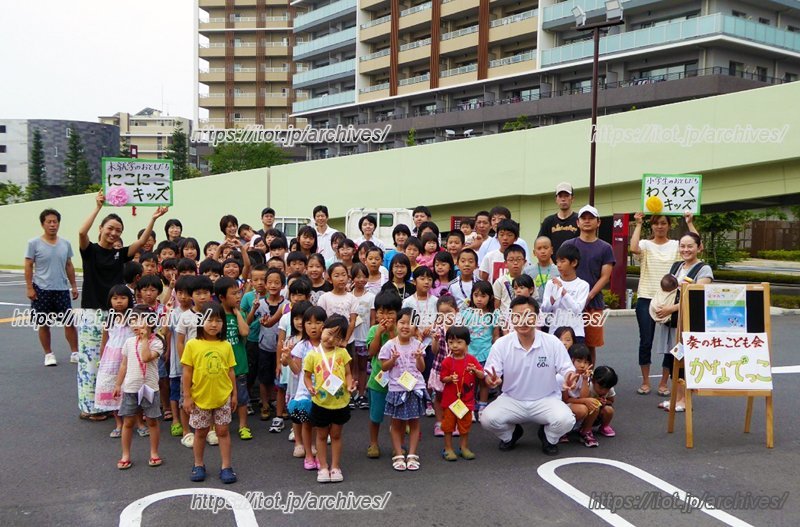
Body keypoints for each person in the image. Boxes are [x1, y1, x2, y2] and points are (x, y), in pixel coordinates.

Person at [77, 191, 167, 420]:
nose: (113, 233)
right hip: (91, 311)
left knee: (116, 359)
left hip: (119, 313)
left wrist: (153, 219)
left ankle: (114, 404)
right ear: (101, 229)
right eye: (110, 228)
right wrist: (97, 208)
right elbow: (81, 232)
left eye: (118, 230)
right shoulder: (90, 251)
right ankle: (90, 407)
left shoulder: (121, 254)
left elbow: (141, 243)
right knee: (90, 361)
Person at [480, 296, 578, 456]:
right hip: (513, 399)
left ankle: (548, 438)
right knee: (487, 419)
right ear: (512, 318)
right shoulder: (502, 344)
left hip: (546, 399)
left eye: (528, 315)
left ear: (537, 317)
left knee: (566, 420)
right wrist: (491, 380)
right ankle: (511, 434)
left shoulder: (552, 342)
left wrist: (569, 377)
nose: (523, 321)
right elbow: (491, 374)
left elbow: (567, 369)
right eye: (517, 316)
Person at [629, 211, 698, 396]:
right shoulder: (645, 244)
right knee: (646, 341)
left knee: (671, 342)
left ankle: (663, 383)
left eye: (663, 223)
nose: (659, 226)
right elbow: (633, 248)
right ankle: (645, 382)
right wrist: (637, 224)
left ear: (669, 225)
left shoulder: (676, 245)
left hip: (671, 300)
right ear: (651, 226)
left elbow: (698, 245)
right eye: (656, 223)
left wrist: (690, 223)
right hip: (646, 298)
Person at [654, 233, 713, 412]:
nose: (686, 250)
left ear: (699, 247)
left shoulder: (704, 270)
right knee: (674, 360)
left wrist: (670, 309)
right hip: (672, 323)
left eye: (690, 246)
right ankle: (676, 399)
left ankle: (684, 400)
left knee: (684, 361)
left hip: (688, 324)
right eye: (682, 246)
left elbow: (696, 297)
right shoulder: (676, 266)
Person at [182, 302, 238, 484]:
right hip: (199, 397)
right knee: (200, 432)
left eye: (218, 321)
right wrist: (187, 396)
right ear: (201, 321)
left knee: (222, 431)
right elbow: (187, 372)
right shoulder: (192, 345)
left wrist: (234, 394)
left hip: (222, 396)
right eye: (209, 320)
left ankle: (226, 466)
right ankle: (198, 464)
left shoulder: (226, 345)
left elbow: (231, 371)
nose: (214, 324)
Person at [303, 315, 356, 483]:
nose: (331, 338)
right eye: (329, 333)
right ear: (322, 328)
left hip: (340, 402)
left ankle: (335, 466)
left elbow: (348, 374)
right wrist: (309, 387)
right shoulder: (313, 354)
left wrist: (349, 385)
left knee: (336, 434)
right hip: (320, 401)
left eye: (337, 337)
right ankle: (323, 466)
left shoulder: (342, 352)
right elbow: (307, 376)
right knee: (320, 435)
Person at [560, 205, 614, 367]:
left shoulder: (605, 248)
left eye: (591, 218)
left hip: (593, 304)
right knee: (566, 341)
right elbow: (561, 269)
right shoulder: (568, 245)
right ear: (578, 222)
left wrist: (588, 296)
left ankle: (587, 378)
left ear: (598, 222)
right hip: (567, 303)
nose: (587, 221)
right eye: (584, 218)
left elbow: (605, 276)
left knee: (590, 344)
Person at [113, 305, 165, 470]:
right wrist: (118, 384)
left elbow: (145, 358)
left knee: (152, 421)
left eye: (140, 321)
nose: (135, 325)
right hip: (131, 388)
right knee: (128, 422)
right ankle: (125, 454)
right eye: (132, 321)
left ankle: (154, 452)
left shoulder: (156, 342)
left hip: (149, 388)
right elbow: (123, 365)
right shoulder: (128, 342)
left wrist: (144, 340)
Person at [25, 208, 79, 366]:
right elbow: (28, 265)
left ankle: (75, 352)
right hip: (41, 289)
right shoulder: (33, 243)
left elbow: (69, 265)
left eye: (55, 222)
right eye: (49, 222)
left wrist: (74, 286)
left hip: (61, 289)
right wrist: (29, 287)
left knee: (69, 322)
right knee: (43, 323)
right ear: (43, 224)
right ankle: (48, 354)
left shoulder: (65, 244)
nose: (52, 225)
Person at [379, 308, 429, 472]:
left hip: (415, 388)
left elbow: (421, 369)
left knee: (414, 422)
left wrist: (419, 357)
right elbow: (383, 367)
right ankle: (399, 453)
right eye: (402, 322)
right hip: (396, 389)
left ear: (416, 327)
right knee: (396, 423)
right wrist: (392, 359)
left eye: (410, 323)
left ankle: (413, 454)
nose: (406, 326)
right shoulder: (389, 345)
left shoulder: (418, 345)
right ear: (396, 323)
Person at [94, 285, 136, 438]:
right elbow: (104, 341)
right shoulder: (109, 319)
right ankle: (119, 423)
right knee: (112, 388)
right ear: (110, 301)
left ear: (130, 300)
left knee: (131, 388)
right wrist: (101, 359)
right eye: (115, 298)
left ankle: (136, 421)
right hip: (110, 360)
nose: (119, 302)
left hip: (129, 358)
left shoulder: (133, 317)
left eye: (123, 298)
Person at [365, 292, 402, 459]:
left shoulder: (401, 330)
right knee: (376, 415)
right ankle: (373, 443)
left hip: (397, 381)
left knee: (397, 416)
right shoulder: (374, 330)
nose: (385, 317)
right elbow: (371, 352)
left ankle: (397, 445)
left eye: (390, 313)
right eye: (381, 312)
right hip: (377, 381)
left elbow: (399, 349)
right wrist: (379, 333)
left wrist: (393, 332)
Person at [290, 306, 327, 470]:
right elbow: (297, 371)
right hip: (305, 391)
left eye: (318, 322)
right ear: (303, 326)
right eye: (309, 323)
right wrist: (287, 359)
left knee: (321, 425)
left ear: (325, 325)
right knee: (306, 423)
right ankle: (309, 455)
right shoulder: (301, 346)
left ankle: (320, 454)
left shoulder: (328, 345)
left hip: (325, 391)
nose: (313, 326)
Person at [439, 325, 484, 461]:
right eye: (451, 342)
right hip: (450, 401)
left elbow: (482, 375)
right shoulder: (447, 361)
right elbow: (442, 378)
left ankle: (464, 447)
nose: (455, 346)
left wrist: (475, 371)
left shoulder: (471, 360)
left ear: (467, 343)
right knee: (448, 426)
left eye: (459, 342)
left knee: (465, 425)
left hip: (466, 400)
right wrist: (449, 379)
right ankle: (448, 448)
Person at [215, 277, 252, 441]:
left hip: (239, 364)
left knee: (242, 398)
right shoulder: (216, 315)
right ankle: (216, 426)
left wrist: (237, 313)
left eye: (239, 293)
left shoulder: (240, 313)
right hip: (220, 365)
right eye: (234, 294)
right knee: (219, 397)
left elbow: (244, 332)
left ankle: (243, 426)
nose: (238, 296)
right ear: (222, 297)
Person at [540, 244, 590, 341]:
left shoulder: (583, 285)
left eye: (563, 261)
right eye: (557, 261)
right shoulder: (551, 283)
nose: (558, 265)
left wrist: (562, 291)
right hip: (555, 331)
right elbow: (545, 309)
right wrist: (552, 299)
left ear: (574, 262)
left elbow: (577, 310)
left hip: (576, 332)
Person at [429, 295, 459, 437]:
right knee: (439, 396)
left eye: (449, 312)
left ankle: (454, 422)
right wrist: (435, 340)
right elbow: (434, 352)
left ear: (456, 311)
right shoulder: (437, 328)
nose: (446, 316)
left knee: (456, 396)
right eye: (442, 313)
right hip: (440, 369)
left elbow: (466, 348)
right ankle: (439, 422)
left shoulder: (460, 328)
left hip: (456, 369)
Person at [561, 343, 600, 447]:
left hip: (576, 403)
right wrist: (585, 401)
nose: (582, 365)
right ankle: (563, 430)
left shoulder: (584, 375)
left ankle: (585, 431)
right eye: (579, 361)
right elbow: (565, 400)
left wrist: (585, 380)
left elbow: (583, 396)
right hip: (563, 406)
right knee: (582, 409)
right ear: (570, 361)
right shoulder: (566, 375)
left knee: (595, 405)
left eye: (586, 362)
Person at [350, 264, 375, 409]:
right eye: (357, 276)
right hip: (351, 337)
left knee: (362, 367)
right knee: (351, 367)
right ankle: (351, 394)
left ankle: (361, 394)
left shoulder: (371, 297)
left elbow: (372, 319)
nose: (361, 279)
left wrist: (370, 337)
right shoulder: (348, 295)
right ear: (352, 278)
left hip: (365, 336)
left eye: (364, 276)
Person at [537, 182, 579, 259]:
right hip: (552, 267)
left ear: (572, 198)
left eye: (566, 196)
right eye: (560, 196)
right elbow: (540, 245)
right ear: (556, 199)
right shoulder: (548, 221)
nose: (563, 199)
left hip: (574, 266)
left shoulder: (579, 220)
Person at [479, 219, 521, 283]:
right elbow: (484, 278)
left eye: (509, 235)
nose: (505, 238)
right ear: (497, 237)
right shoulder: (489, 257)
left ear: (516, 238)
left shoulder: (520, 257)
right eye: (501, 235)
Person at [492, 244, 527, 313]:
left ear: (524, 262)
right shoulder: (500, 282)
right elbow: (496, 305)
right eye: (511, 260)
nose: (515, 263)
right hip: (505, 319)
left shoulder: (528, 280)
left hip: (524, 318)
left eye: (519, 259)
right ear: (505, 263)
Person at [524, 236, 559, 303]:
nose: (543, 251)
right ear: (534, 252)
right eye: (539, 248)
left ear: (552, 250)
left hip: (553, 309)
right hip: (533, 309)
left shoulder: (559, 270)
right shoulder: (527, 271)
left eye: (546, 248)